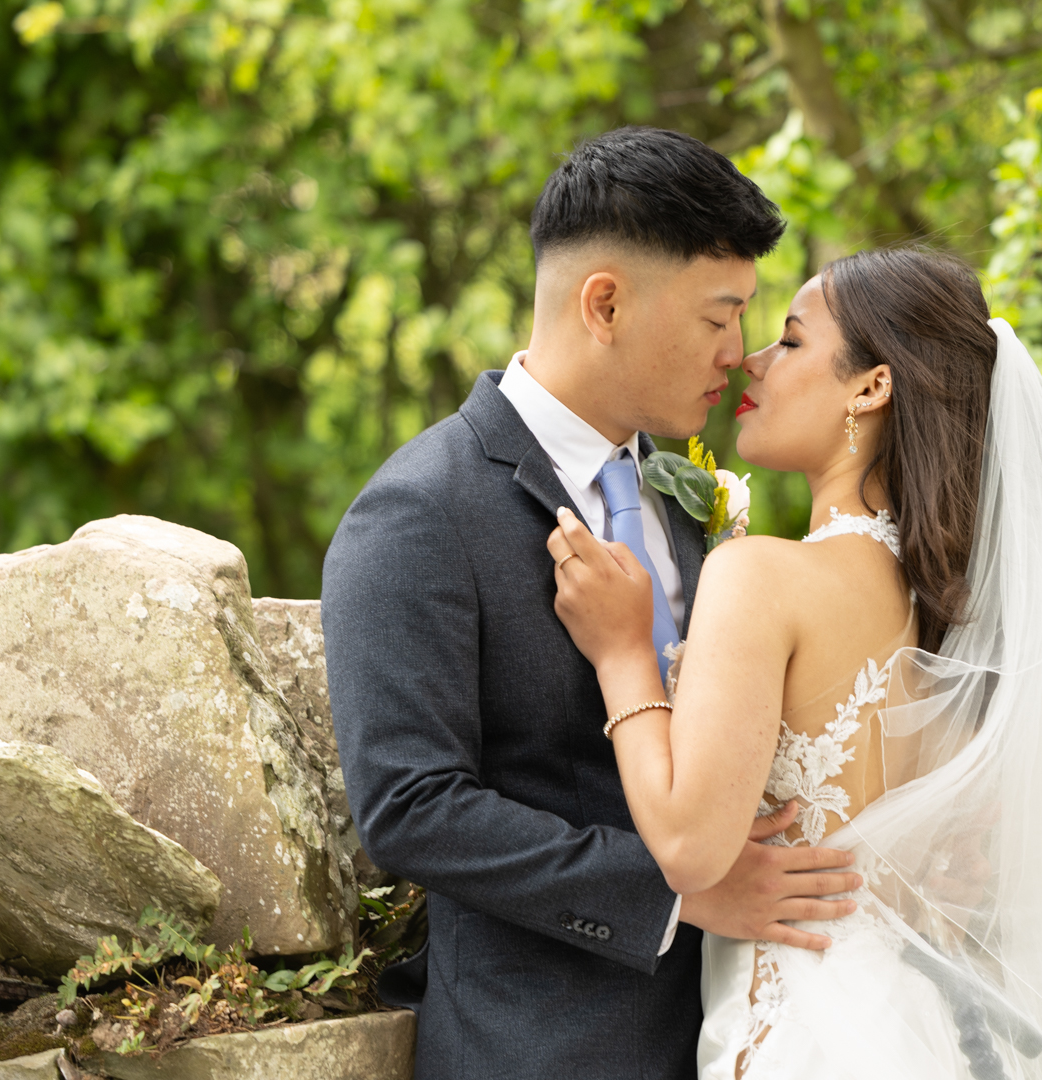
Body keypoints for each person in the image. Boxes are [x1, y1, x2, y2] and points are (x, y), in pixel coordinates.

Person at [322, 127, 864, 1080]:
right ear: (605, 304)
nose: (738, 353)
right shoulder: (419, 510)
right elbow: (410, 806)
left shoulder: (685, 494)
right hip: (545, 1046)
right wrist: (678, 895)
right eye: (719, 316)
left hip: (742, 1031)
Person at [548, 248, 1042, 1079]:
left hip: (805, 1033)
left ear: (871, 388)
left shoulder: (760, 575)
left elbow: (689, 851)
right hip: (910, 1022)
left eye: (792, 341)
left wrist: (623, 654)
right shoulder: (954, 606)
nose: (751, 360)